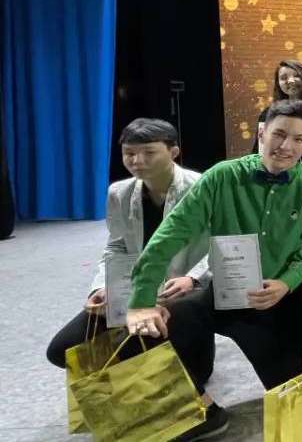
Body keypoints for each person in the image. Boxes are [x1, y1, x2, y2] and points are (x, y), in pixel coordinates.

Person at [124, 100, 302, 441]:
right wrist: (142, 298)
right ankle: (203, 408)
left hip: (278, 302)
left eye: (298, 139)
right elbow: (171, 233)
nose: (286, 146)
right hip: (222, 293)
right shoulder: (222, 177)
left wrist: (287, 281)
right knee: (147, 332)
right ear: (262, 132)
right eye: (279, 134)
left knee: (294, 404)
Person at [46, 119, 205, 368]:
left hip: (183, 295)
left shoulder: (202, 187)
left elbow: (223, 244)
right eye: (129, 154)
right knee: (60, 351)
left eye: (149, 153)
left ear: (173, 152)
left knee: (180, 365)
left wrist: (193, 278)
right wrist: (102, 287)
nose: (137, 161)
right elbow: (116, 246)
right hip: (134, 290)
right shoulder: (119, 192)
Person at [251, 60, 302, 153]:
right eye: (283, 78)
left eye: (296, 76)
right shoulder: (268, 114)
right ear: (278, 83)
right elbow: (258, 151)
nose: (290, 81)